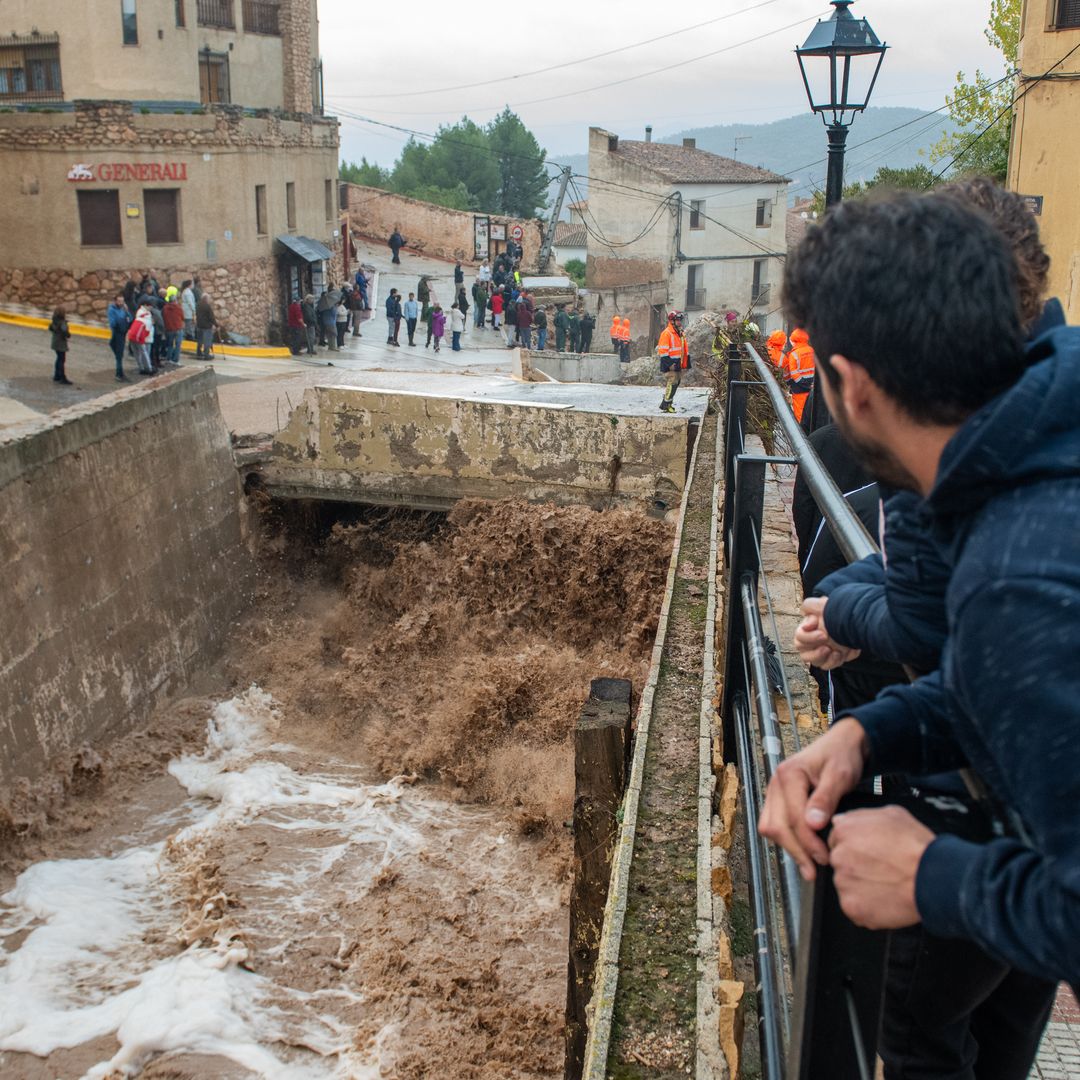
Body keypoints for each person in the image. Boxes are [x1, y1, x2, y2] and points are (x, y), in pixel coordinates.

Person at [757, 193, 1080, 998]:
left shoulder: (1021, 581)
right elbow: (1000, 683)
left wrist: (934, 876)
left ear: (851, 387)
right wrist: (872, 732)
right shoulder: (1029, 460)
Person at [656, 310, 689, 413]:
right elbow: (663, 351)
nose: (680, 322)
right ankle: (666, 404)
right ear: (672, 321)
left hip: (677, 362)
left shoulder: (679, 333)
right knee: (672, 383)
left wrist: (685, 362)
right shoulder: (667, 333)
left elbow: (683, 349)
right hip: (670, 364)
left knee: (676, 383)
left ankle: (667, 403)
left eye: (680, 320)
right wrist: (670, 364)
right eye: (678, 320)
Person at [785, 328, 815, 423]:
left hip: (799, 388)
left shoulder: (794, 354)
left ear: (794, 340)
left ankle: (801, 435)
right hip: (812, 386)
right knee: (811, 411)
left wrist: (801, 384)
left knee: (800, 414)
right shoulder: (812, 350)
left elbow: (794, 374)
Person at [107, 294, 132, 382]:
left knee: (119, 355)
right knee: (119, 356)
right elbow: (113, 323)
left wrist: (127, 311)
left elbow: (130, 319)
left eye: (122, 301)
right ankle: (119, 373)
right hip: (117, 334)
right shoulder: (112, 310)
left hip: (123, 333)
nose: (121, 303)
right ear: (115, 301)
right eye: (119, 301)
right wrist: (122, 319)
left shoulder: (123, 309)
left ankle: (120, 372)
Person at [128, 301, 156, 374]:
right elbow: (147, 330)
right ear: (146, 305)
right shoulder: (147, 316)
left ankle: (142, 367)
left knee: (138, 353)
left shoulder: (140, 314)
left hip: (135, 336)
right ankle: (148, 368)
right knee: (144, 353)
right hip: (142, 337)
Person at [49, 307, 72, 385]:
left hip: (55, 342)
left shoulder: (54, 321)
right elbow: (65, 332)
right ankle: (62, 377)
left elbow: (51, 328)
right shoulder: (62, 323)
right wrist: (68, 335)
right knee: (62, 360)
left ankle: (57, 375)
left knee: (58, 359)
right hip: (61, 343)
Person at [162, 290, 184, 366]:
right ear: (175, 300)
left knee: (170, 344)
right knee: (178, 344)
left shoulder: (165, 308)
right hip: (178, 328)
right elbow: (182, 317)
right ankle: (175, 359)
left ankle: (169, 358)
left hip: (169, 329)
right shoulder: (178, 308)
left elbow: (163, 317)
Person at [194, 291, 216, 360]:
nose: (209, 300)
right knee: (207, 341)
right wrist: (216, 325)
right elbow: (211, 317)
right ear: (206, 299)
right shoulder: (207, 306)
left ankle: (199, 353)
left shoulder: (198, 305)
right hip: (207, 326)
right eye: (209, 299)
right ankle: (207, 355)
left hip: (199, 325)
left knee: (200, 340)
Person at [318, 284, 340, 350]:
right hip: (331, 321)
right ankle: (333, 347)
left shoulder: (324, 304)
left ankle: (330, 346)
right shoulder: (331, 305)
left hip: (326, 321)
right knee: (334, 334)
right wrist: (336, 307)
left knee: (329, 334)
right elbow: (334, 313)